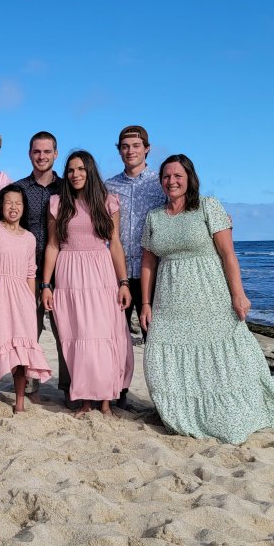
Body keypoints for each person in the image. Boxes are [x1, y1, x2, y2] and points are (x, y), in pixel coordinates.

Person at [139, 154, 274, 444]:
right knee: (160, 358)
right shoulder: (154, 217)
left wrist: (238, 294)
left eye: (178, 175)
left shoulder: (208, 206)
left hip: (210, 295)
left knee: (220, 357)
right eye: (166, 176)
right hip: (168, 300)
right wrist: (145, 303)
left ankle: (224, 415)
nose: (172, 181)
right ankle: (181, 414)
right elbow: (148, 263)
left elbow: (228, 254)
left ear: (190, 178)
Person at [41, 150, 134, 417]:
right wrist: (46, 285)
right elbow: (52, 245)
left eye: (81, 169)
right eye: (70, 170)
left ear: (90, 171)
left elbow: (115, 244)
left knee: (104, 336)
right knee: (77, 336)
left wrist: (123, 282)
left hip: (101, 273)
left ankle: (104, 400)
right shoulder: (57, 203)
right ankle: (84, 399)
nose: (75, 174)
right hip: (69, 274)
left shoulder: (108, 201)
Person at [0, 184, 52, 413]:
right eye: (8, 203)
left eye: (18, 203)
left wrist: (31, 301)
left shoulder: (30, 238)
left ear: (24, 207)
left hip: (22, 302)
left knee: (21, 352)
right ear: (1, 206)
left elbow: (31, 273)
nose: (13, 207)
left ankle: (20, 403)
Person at [105, 124, 166, 409]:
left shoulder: (160, 183)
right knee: (116, 337)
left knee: (154, 338)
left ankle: (162, 402)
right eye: (125, 146)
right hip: (115, 272)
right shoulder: (108, 186)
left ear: (147, 149)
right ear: (119, 150)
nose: (130, 151)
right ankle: (117, 393)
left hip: (151, 273)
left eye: (136, 146)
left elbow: (185, 208)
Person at [14, 131, 70, 405]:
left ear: (56, 154)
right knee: (28, 332)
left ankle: (70, 387)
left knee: (66, 332)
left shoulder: (68, 188)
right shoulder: (19, 189)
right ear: (29, 154)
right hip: (27, 272)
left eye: (47, 152)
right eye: (37, 151)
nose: (42, 156)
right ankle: (30, 388)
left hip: (64, 270)